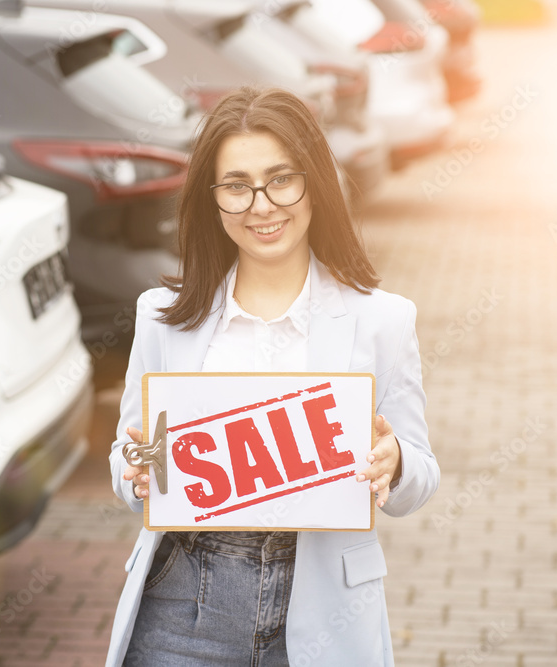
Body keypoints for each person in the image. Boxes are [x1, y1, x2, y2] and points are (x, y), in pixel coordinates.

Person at [106, 87, 439, 666]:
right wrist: (135, 470)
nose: (261, 205)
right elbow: (127, 463)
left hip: (325, 607)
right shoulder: (162, 318)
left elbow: (418, 478)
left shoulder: (382, 320)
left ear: (315, 184)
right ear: (212, 200)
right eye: (236, 185)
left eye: (281, 179)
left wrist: (396, 463)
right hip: (183, 605)